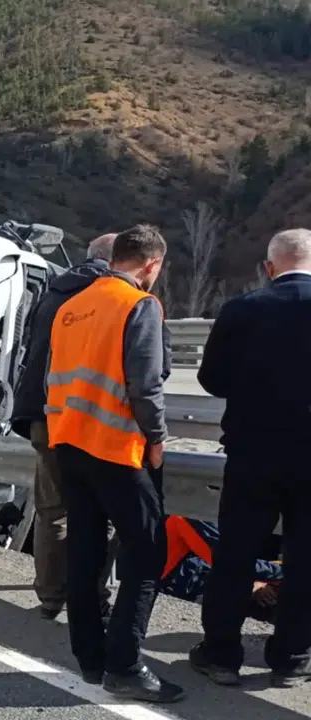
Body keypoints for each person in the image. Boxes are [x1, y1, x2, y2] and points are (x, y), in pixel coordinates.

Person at [45, 224, 182, 702]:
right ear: (152, 265)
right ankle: (124, 664)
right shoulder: (139, 304)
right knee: (147, 553)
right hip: (116, 448)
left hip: (69, 444)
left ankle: (90, 657)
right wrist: (158, 439)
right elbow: (145, 385)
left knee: (85, 551)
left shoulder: (72, 305)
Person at [190, 228, 311, 689]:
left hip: (254, 452)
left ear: (270, 267)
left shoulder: (243, 310)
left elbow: (213, 380)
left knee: (236, 553)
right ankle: (293, 656)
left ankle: (221, 653)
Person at [12, 233, 117, 620]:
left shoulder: (53, 290)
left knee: (52, 509)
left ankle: (51, 596)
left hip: (42, 412)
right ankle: (92, 599)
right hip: (88, 416)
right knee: (98, 511)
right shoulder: (109, 297)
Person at [159, 515, 283, 621]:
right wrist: (278, 572)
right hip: (181, 582)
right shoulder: (187, 511)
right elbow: (225, 557)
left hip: (197, 576)